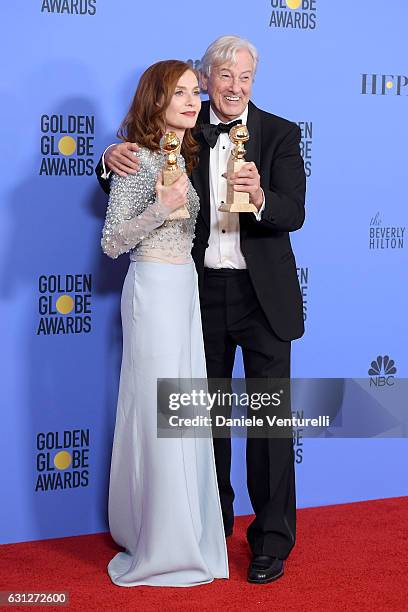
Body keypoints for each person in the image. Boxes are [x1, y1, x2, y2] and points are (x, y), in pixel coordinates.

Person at [97, 35, 306, 584]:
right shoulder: (187, 134)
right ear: (207, 79)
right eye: (225, 77)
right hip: (198, 294)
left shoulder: (280, 133)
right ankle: (209, 526)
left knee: (267, 423)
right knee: (201, 422)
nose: (235, 88)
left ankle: (271, 540)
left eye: (246, 78)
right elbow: (137, 162)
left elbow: (295, 211)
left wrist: (260, 197)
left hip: (263, 300)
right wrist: (104, 158)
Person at [100, 59, 229, 587]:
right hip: (151, 290)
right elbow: (111, 243)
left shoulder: (185, 153)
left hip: (185, 294)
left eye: (194, 91)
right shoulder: (138, 161)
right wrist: (159, 207)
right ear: (156, 99)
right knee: (157, 409)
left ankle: (188, 529)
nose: (192, 100)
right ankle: (161, 537)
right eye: (178, 92)